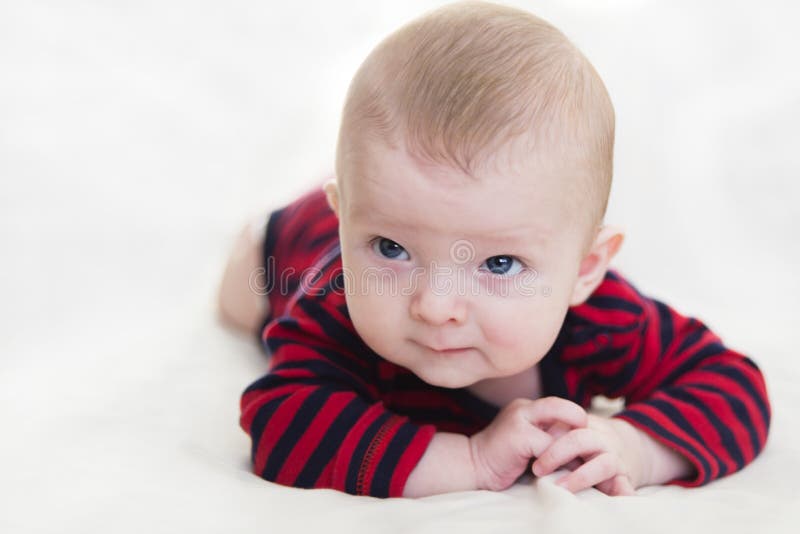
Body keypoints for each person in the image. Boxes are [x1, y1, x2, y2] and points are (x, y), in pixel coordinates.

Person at [218, 1, 771, 498]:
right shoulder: (337, 308)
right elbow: (283, 427)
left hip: (364, 207)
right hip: (300, 244)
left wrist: (635, 446)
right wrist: (472, 460)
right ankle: (289, 220)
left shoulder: (598, 319)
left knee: (406, 210)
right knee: (238, 300)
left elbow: (731, 387)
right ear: (350, 226)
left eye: (498, 264)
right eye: (390, 248)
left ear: (585, 270)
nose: (435, 306)